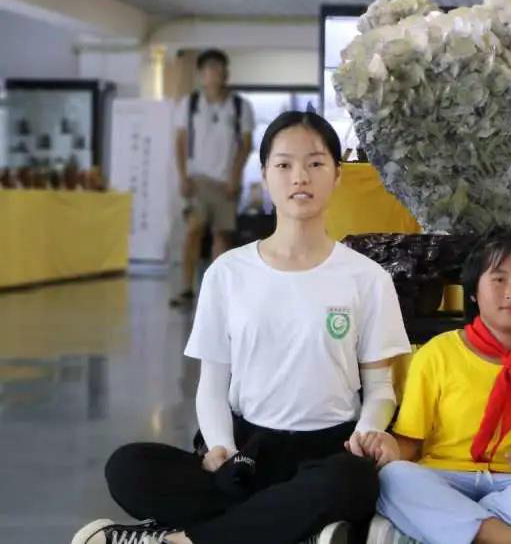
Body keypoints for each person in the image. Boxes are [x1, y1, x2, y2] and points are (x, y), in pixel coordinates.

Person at [74, 111, 412, 544]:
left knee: (352, 482)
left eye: (315, 163)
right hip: (247, 453)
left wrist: (367, 431)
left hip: (328, 452)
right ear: (266, 174)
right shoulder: (228, 272)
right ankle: (295, 529)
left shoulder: (367, 278)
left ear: (337, 175)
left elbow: (380, 388)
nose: (300, 177)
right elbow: (213, 384)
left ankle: (183, 539)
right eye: (284, 164)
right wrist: (221, 446)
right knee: (128, 468)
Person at [373, 231, 511, 544]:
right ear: (474, 292)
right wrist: (389, 448)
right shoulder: (438, 353)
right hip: (443, 474)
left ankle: (442, 525)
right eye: (498, 279)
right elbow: (411, 441)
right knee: (393, 478)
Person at [171, 49, 255, 308]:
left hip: (225, 182)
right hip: (198, 179)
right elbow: (180, 141)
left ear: (226, 73)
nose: (215, 73)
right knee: (193, 230)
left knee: (222, 236)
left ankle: (217, 293)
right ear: (201, 74)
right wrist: (183, 176)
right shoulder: (190, 104)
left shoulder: (239, 106)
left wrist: (235, 177)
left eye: (219, 68)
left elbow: (246, 144)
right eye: (209, 68)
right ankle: (186, 288)